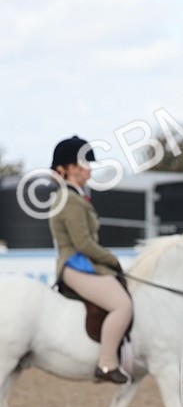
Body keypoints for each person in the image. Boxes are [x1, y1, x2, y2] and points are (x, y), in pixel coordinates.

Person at [49, 136, 133, 384]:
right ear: (69, 168)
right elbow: (83, 244)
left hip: (85, 262)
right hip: (75, 264)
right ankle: (106, 363)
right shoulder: (69, 200)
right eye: (84, 164)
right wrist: (112, 259)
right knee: (122, 305)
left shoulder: (76, 196)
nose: (89, 169)